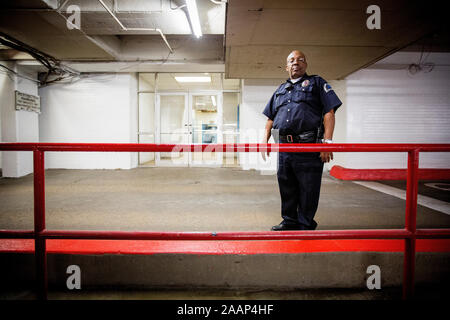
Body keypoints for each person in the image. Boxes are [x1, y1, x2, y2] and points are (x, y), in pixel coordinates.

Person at [261, 50, 342, 231]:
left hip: (309, 146)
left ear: (305, 65)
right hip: (284, 146)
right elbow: (270, 119)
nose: (296, 62)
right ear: (286, 67)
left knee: (308, 187)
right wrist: (264, 141)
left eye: (300, 60)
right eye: (291, 60)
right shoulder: (280, 90)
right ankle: (289, 221)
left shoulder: (317, 83)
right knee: (286, 185)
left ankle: (305, 223)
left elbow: (329, 113)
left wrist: (328, 143)